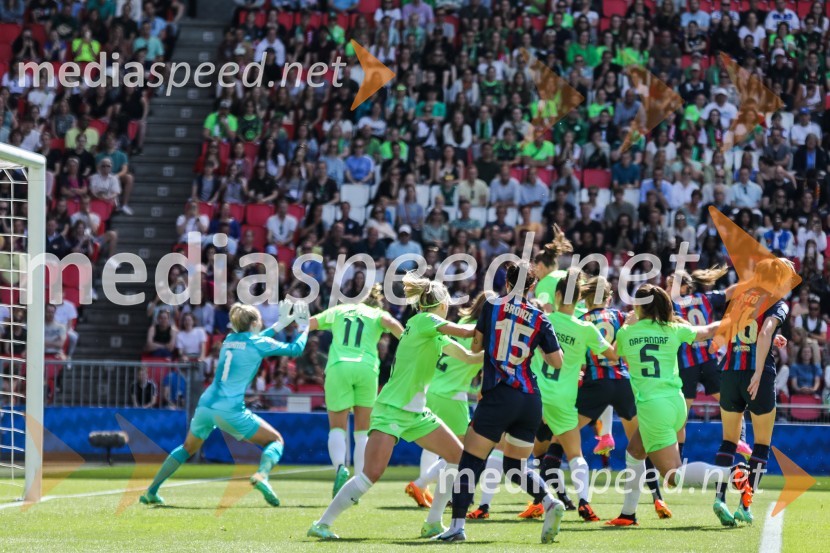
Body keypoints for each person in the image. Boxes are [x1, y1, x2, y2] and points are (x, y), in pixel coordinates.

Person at [308, 273, 483, 540]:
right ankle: (322, 523)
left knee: (456, 458)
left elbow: (470, 358)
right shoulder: (425, 320)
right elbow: (467, 331)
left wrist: (505, 352)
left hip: (416, 412)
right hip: (392, 409)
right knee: (370, 475)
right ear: (442, 304)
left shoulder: (432, 332)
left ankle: (433, 522)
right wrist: (497, 322)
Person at [437, 261, 566, 544]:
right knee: (515, 466)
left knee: (470, 460)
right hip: (530, 399)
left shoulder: (492, 307)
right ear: (532, 287)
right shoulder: (540, 317)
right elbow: (557, 362)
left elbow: (476, 347)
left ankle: (457, 526)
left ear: (506, 282)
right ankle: (548, 501)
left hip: (499, 393)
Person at [139, 301, 309, 507]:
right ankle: (263, 475)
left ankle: (151, 491)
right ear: (255, 323)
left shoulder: (229, 339)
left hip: (206, 404)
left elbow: (257, 339)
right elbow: (295, 349)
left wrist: (281, 323)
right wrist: (303, 326)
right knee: (275, 441)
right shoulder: (256, 342)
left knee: (186, 448)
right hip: (230, 409)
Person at [616, 285, 754, 525]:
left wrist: (627, 324)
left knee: (672, 476)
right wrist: (738, 317)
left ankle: (732, 474)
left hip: (653, 407)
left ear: (639, 307)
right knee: (635, 452)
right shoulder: (673, 329)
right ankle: (628, 514)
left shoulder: (626, 332)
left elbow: (617, 354)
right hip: (676, 404)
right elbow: (710, 330)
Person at [711, 258, 795, 526]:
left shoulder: (740, 298)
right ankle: (744, 506)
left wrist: (771, 339)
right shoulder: (777, 303)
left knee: (729, 441)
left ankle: (719, 498)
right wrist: (758, 372)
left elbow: (730, 334)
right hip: (757, 376)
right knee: (761, 444)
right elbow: (763, 332)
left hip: (729, 373)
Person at [531, 272, 618, 522]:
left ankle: (480, 503)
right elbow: (612, 355)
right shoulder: (586, 328)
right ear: (579, 298)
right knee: (575, 454)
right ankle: (584, 503)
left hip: (535, 394)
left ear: (557, 295)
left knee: (510, 450)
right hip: (563, 400)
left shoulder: (542, 319)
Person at [308, 285, 405, 497]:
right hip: (366, 369)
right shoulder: (378, 314)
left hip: (339, 367)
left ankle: (340, 468)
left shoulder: (340, 310)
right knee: (362, 432)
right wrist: (409, 342)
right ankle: (356, 486)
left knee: (337, 428)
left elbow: (310, 324)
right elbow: (394, 326)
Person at [405, 291, 495, 508]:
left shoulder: (462, 322)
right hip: (452, 394)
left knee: (438, 444)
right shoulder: (484, 331)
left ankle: (424, 487)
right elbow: (478, 360)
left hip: (435, 388)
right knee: (461, 451)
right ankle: (424, 485)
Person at [665, 266, 751, 459]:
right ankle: (741, 441)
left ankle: (676, 463)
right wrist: (754, 281)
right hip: (708, 360)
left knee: (681, 417)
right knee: (733, 403)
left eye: (672, 285)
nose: (669, 289)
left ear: (686, 287)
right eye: (668, 285)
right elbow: (731, 291)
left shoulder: (670, 305)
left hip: (687, 364)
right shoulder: (707, 298)